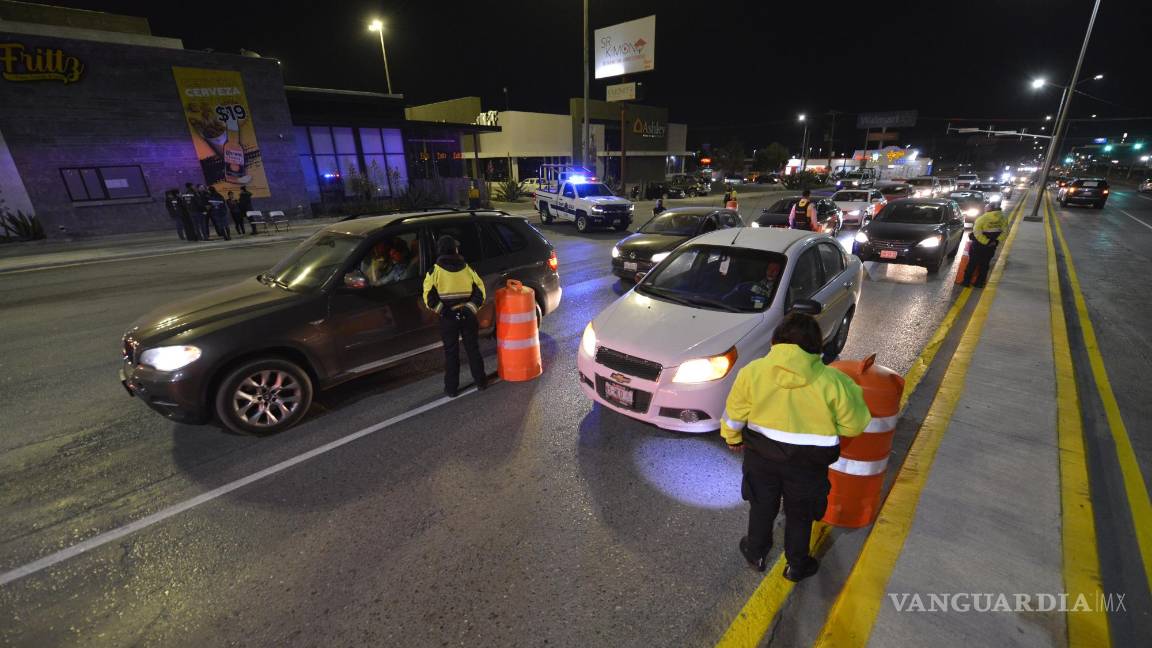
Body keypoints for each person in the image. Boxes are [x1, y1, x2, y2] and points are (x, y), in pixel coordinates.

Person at [722, 313, 871, 582]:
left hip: (761, 458)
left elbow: (734, 414)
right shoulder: (834, 381)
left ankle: (756, 552)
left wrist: (733, 439)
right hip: (808, 465)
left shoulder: (752, 372)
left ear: (776, 341)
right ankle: (796, 566)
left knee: (761, 505)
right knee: (800, 514)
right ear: (817, 346)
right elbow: (855, 425)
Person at [423, 235, 488, 397]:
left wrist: (446, 312)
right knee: (473, 350)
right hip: (468, 317)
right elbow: (481, 292)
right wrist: (468, 309)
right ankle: (481, 382)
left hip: (448, 319)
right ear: (454, 249)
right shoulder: (468, 269)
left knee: (451, 353)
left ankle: (451, 389)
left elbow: (429, 299)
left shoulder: (434, 272)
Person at [962, 207, 1008, 288]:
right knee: (985, 264)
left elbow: (977, 233)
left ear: (989, 209)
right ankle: (979, 283)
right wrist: (995, 241)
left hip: (979, 245)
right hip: (992, 246)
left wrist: (986, 242)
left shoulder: (982, 218)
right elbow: (1005, 232)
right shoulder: (1003, 219)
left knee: (972, 263)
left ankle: (966, 281)